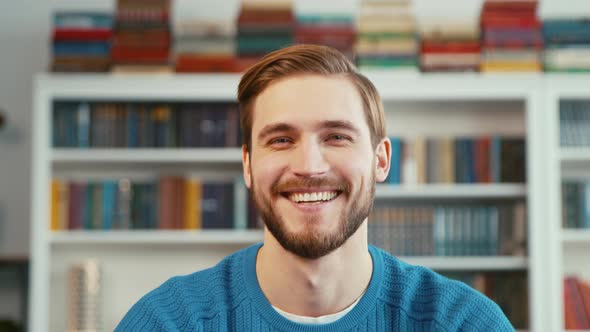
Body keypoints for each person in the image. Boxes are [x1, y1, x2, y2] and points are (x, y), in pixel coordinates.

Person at [116, 44, 514, 331]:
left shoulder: (464, 323)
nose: (309, 166)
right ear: (248, 165)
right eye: (281, 140)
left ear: (381, 159)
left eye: (337, 137)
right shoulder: (169, 322)